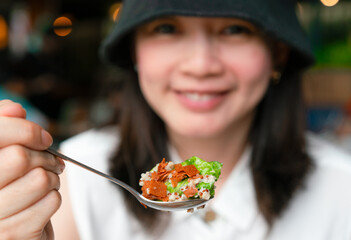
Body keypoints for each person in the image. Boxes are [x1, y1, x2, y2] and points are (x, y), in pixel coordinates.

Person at [1, 0, 351, 239]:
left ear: (277, 52)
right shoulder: (73, 177)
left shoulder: (341, 189)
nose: (200, 65)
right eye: (167, 28)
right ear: (134, 50)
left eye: (235, 30)